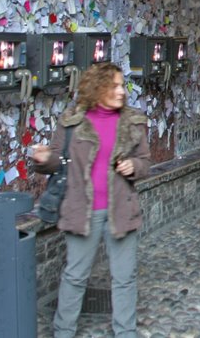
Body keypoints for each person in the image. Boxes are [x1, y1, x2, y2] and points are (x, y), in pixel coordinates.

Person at [31, 62, 151, 338]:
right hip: (82, 209)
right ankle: (63, 331)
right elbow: (56, 160)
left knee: (124, 277)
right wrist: (42, 159)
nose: (122, 91)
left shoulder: (133, 121)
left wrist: (134, 165)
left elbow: (145, 162)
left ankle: (125, 332)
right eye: (115, 86)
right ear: (97, 89)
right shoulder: (72, 120)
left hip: (120, 209)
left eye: (122, 85)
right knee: (75, 276)